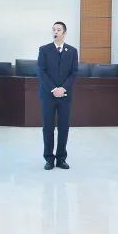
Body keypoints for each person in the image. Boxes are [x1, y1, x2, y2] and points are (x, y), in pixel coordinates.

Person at [37, 21, 79, 170]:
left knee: (63, 127)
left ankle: (61, 159)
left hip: (65, 96)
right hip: (48, 95)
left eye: (58, 29)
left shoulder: (72, 51)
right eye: (54, 29)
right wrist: (54, 89)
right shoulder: (44, 49)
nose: (55, 32)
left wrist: (63, 88)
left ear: (64, 33)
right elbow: (41, 71)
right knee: (48, 127)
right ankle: (49, 159)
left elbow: (74, 73)